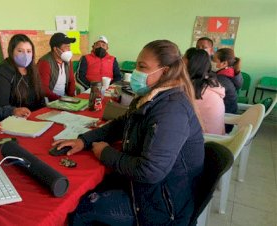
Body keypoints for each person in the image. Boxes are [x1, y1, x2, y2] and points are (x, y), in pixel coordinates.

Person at [55, 40, 205, 225]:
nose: (136, 72)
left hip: (162, 207)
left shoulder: (172, 109)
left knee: (80, 208)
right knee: (90, 189)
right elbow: (121, 124)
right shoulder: (153, 96)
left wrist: (105, 153)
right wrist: (84, 141)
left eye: (142, 67)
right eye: (136, 65)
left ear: (164, 71)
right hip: (147, 190)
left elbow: (151, 171)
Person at [0, 34, 45, 111]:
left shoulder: (33, 70)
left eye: (29, 51)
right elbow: (0, 106)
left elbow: (41, 99)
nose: (25, 55)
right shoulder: (2, 72)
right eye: (20, 51)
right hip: (13, 119)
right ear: (11, 51)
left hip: (35, 117)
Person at [184, 48, 225, 135]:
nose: (180, 61)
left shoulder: (195, 88)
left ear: (190, 63)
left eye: (183, 58)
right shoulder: (208, 82)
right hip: (216, 134)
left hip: (206, 138)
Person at [37, 32, 76, 101]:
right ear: (55, 49)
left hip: (65, 99)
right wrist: (60, 99)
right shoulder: (45, 62)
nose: (69, 50)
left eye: (69, 46)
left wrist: (72, 98)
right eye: (66, 47)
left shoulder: (67, 61)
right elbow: (43, 89)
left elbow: (71, 81)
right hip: (51, 101)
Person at [213, 48, 243, 133]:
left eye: (214, 60)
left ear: (224, 63)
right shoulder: (230, 73)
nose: (211, 62)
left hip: (224, 122)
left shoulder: (221, 79)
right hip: (230, 116)